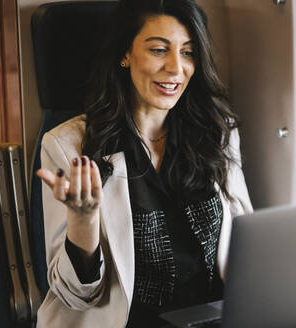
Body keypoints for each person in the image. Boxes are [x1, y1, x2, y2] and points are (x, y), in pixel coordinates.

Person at [35, 0, 252, 327]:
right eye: (159, 50)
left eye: (188, 52)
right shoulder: (66, 147)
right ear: (125, 54)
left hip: (213, 317)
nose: (176, 68)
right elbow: (74, 295)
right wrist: (83, 220)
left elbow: (245, 239)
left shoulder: (218, 133)